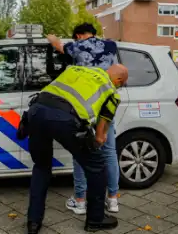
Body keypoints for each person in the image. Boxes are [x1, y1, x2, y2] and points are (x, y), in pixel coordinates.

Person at [26, 63, 128, 234]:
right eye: (122, 84)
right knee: (97, 167)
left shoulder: (76, 69)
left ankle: (33, 223)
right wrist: (94, 143)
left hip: (36, 110)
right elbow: (101, 136)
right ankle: (96, 220)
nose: (119, 87)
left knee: (42, 167)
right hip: (65, 118)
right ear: (117, 79)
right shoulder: (111, 91)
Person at [47, 23, 121, 213]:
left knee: (80, 153)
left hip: (84, 106)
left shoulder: (76, 47)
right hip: (106, 103)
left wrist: (52, 37)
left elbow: (58, 45)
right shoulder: (111, 46)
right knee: (109, 152)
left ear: (79, 36)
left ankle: (80, 200)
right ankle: (113, 199)